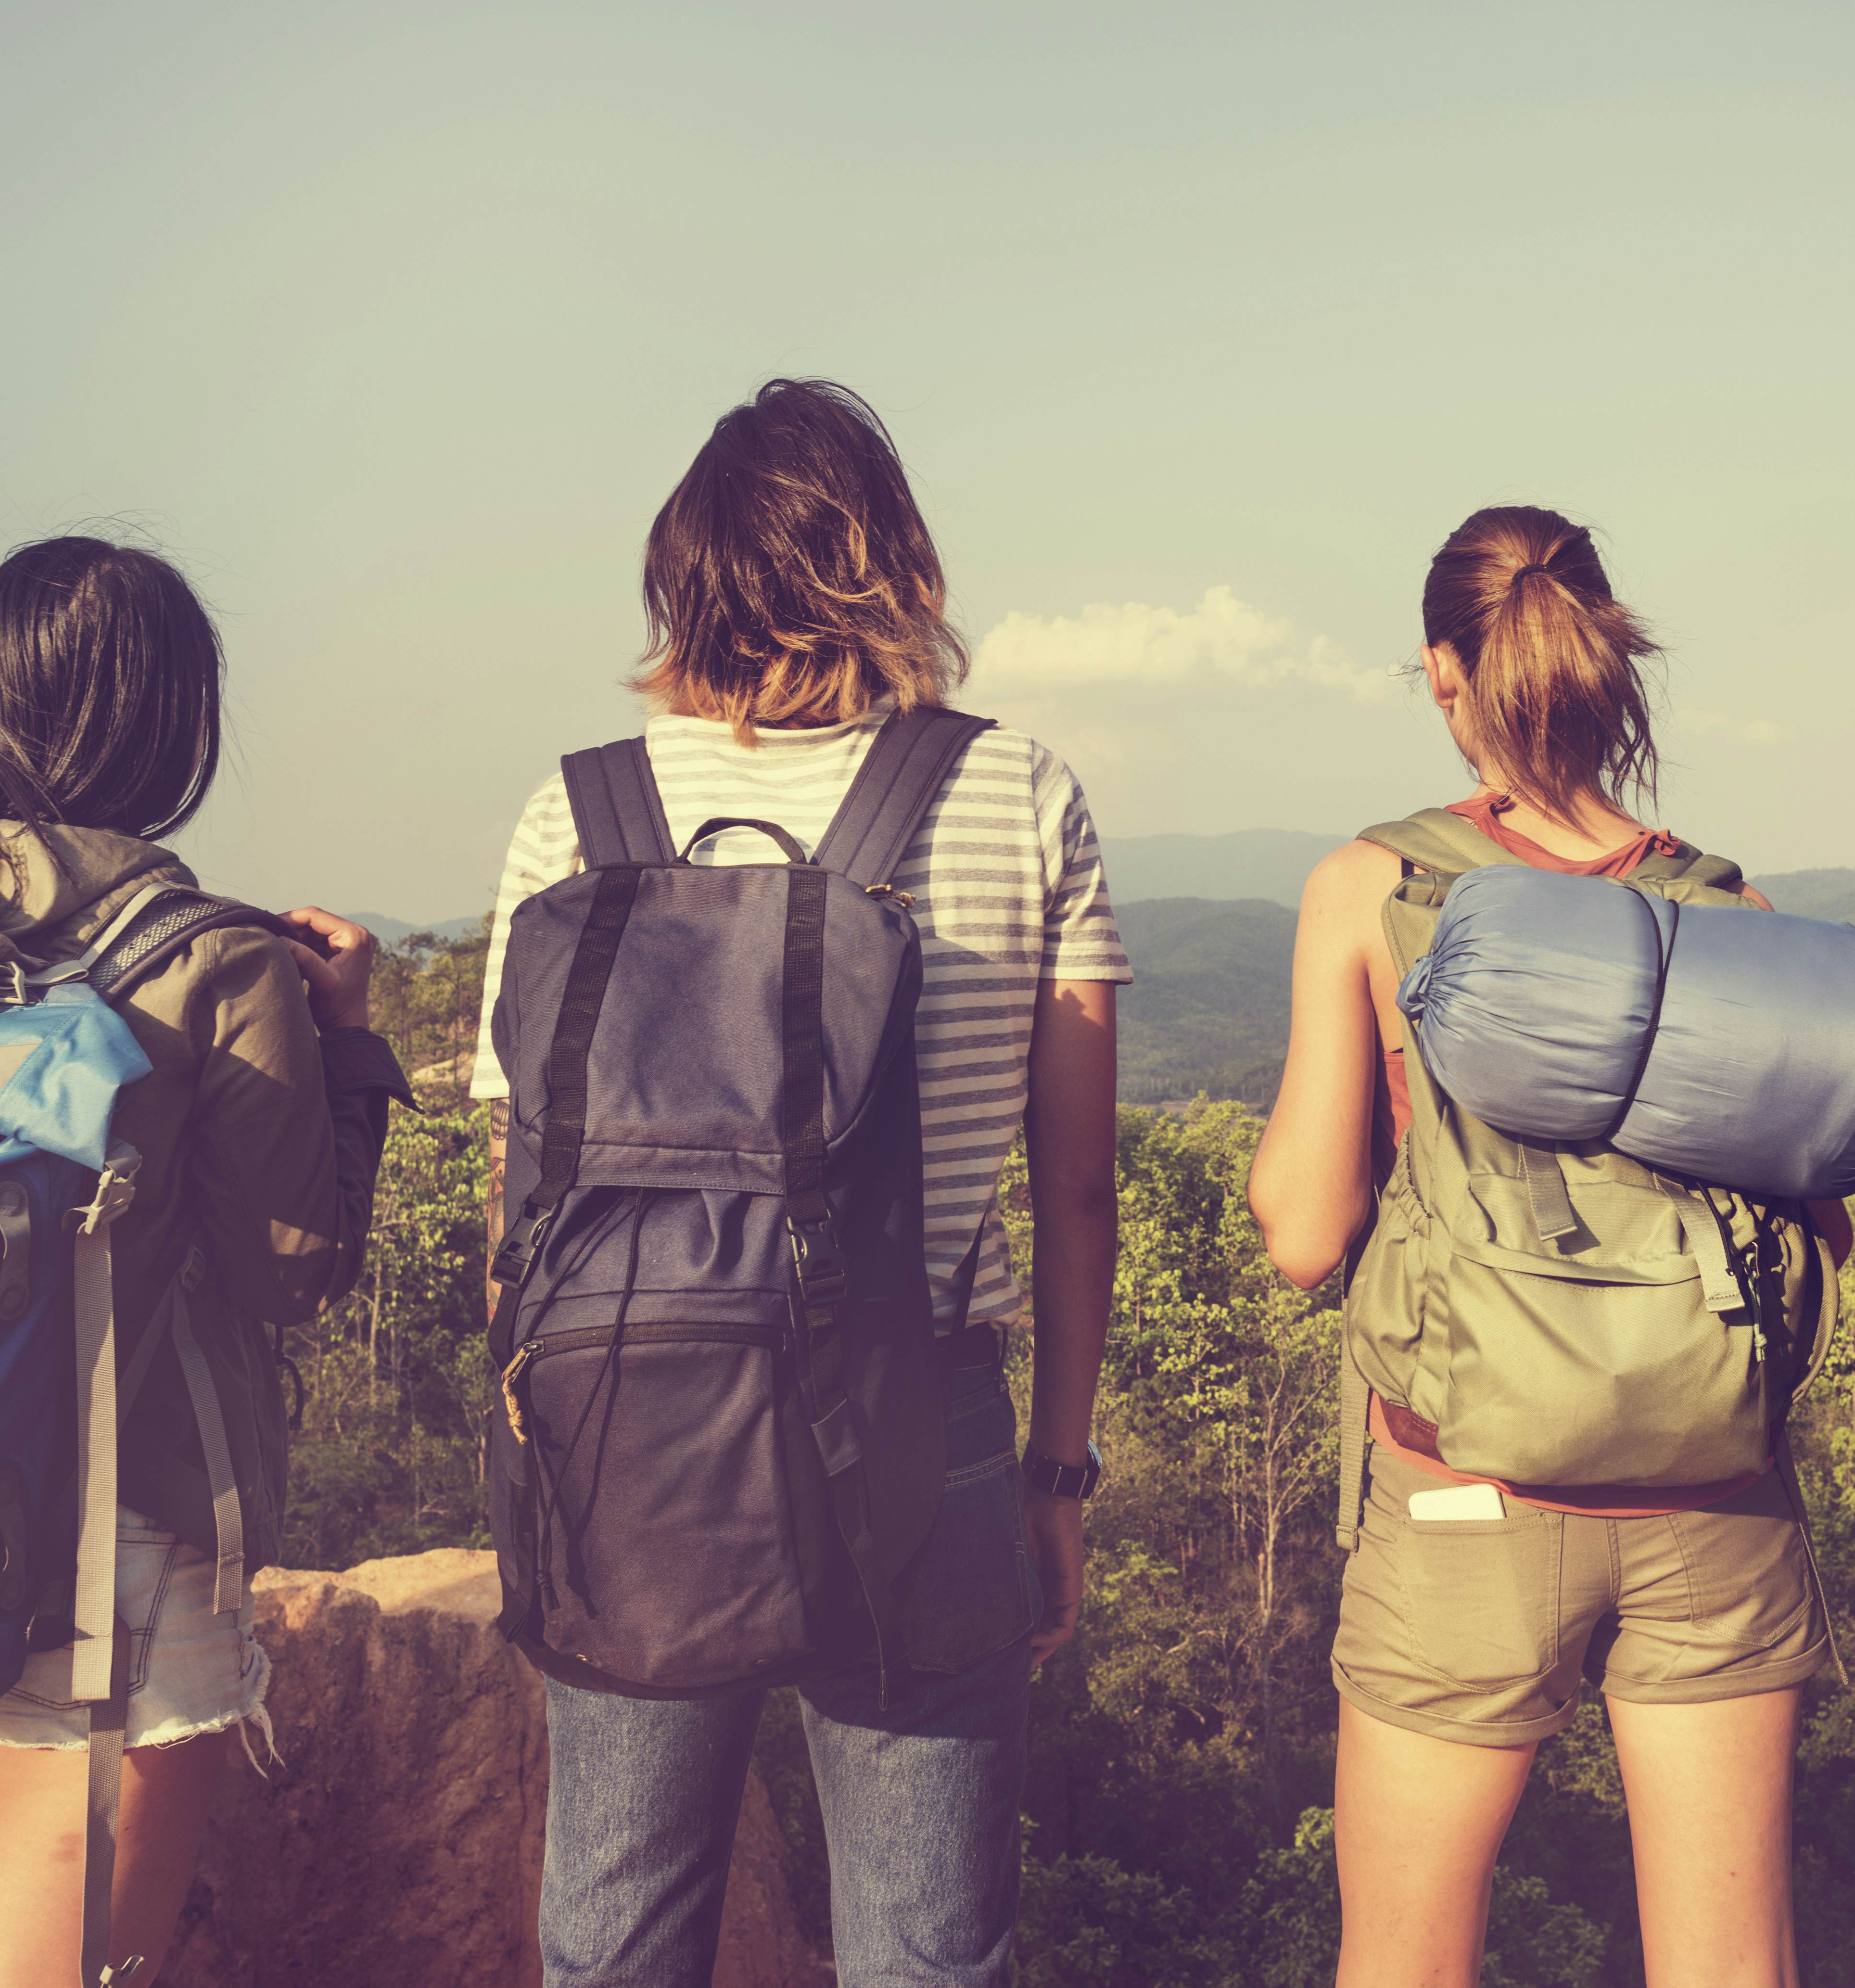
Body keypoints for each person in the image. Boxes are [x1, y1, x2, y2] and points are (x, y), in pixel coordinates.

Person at [470, 378, 1126, 1988]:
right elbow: (1081, 1193)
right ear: (893, 564)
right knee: (924, 1952)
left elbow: (523, 1202)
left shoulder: (579, 810)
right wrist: (1057, 1472)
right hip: (928, 1424)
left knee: (614, 1933)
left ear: (680, 573)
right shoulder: (1017, 793)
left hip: (630, 1428)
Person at [0, 535, 408, 1985]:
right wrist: (348, 1041)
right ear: (172, 724)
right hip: (110, 1532)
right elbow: (293, 1264)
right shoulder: (212, 957)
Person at [1249, 505, 1836, 1988]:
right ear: (1603, 656)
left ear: (1447, 675)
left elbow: (1306, 1234)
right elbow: (1815, 1221)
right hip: (1714, 1499)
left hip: (1466, 1491)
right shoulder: (1727, 904)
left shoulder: (1370, 890)